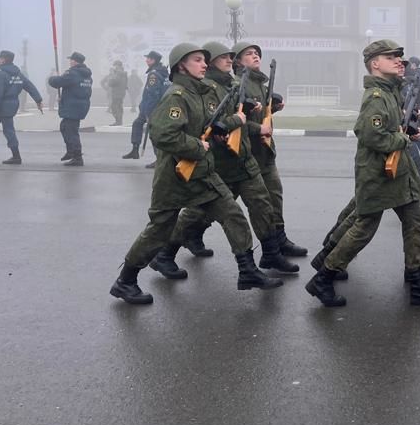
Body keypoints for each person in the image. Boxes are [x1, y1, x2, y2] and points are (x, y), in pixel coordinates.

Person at [109, 43, 282, 305]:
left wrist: (231, 125)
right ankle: (125, 281)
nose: (204, 64)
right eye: (198, 60)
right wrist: (195, 145)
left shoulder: (205, 94)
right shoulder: (176, 96)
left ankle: (248, 271)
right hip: (174, 177)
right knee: (159, 230)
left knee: (232, 215)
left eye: (205, 60)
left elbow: (217, 123)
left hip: (203, 172)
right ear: (182, 66)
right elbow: (164, 134)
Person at [304, 39, 420, 308]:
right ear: (375, 64)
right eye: (392, 57)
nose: (399, 61)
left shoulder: (390, 91)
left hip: (396, 170)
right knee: (363, 228)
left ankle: (417, 280)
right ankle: (323, 277)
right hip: (377, 172)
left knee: (416, 220)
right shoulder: (376, 97)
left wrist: (409, 131)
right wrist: (403, 140)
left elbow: (393, 127)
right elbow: (371, 134)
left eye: (399, 57)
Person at [162, 41, 299, 276]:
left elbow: (241, 118)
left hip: (245, 159)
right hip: (223, 161)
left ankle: (271, 253)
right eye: (223, 57)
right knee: (199, 211)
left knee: (262, 205)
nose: (229, 60)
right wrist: (241, 122)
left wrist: (258, 111)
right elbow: (215, 124)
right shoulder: (208, 87)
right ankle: (166, 252)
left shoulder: (234, 83)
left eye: (230, 57)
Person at [235, 42, 308, 258]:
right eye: (249, 54)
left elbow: (258, 115)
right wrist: (259, 128)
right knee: (211, 208)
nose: (255, 56)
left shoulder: (259, 84)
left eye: (257, 53)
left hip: (265, 153)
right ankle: (182, 238)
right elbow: (232, 122)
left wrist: (272, 109)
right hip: (243, 156)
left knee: (274, 196)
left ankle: (280, 240)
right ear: (238, 61)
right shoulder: (238, 84)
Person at [122, 50, 169, 166]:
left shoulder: (154, 74)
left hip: (152, 108)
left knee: (153, 132)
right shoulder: (163, 72)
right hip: (151, 107)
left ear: (153, 60)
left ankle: (159, 158)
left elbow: (152, 94)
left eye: (148, 58)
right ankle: (135, 150)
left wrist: (149, 112)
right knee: (137, 124)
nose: (146, 60)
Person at [47, 52, 93, 166]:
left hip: (73, 106)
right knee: (64, 127)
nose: (70, 62)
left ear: (75, 61)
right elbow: (76, 88)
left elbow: (56, 83)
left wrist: (54, 77)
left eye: (71, 60)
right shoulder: (87, 75)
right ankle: (70, 151)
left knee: (71, 131)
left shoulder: (72, 73)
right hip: (80, 105)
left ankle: (77, 157)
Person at [103, 60, 128, 126]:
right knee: (119, 106)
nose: (114, 67)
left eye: (114, 65)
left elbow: (115, 81)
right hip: (121, 92)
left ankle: (118, 121)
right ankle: (119, 121)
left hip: (117, 92)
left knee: (114, 107)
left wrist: (109, 81)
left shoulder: (118, 72)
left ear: (117, 65)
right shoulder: (123, 73)